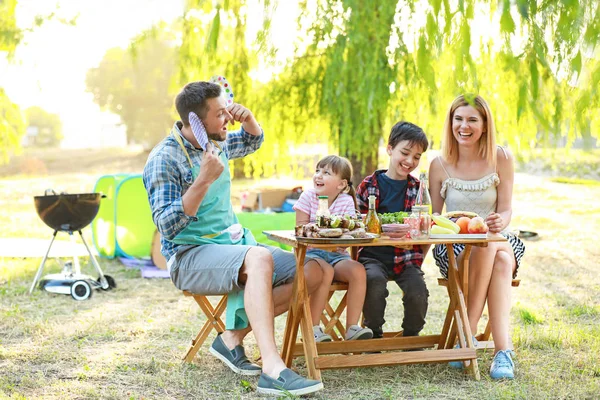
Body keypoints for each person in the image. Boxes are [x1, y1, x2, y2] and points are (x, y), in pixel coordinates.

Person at [143, 81, 324, 396]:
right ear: (195, 121)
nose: (227, 118)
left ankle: (230, 340)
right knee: (259, 258)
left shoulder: (218, 140)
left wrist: (250, 119)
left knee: (315, 269)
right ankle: (272, 369)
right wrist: (202, 180)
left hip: (233, 246)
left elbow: (252, 141)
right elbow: (167, 226)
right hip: (188, 255)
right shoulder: (164, 159)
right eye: (220, 113)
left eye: (227, 110)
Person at [429, 94, 526, 380]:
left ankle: (468, 338)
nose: (464, 126)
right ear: (450, 123)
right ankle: (500, 351)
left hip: (499, 237)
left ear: (485, 124)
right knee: (496, 259)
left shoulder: (501, 157)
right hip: (454, 246)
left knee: (490, 245)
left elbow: (506, 209)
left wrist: (499, 220)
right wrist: (458, 224)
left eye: (472, 119)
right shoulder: (439, 164)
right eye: (458, 119)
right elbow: (434, 219)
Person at [356, 122, 430, 339]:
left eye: (416, 157)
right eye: (405, 153)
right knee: (374, 282)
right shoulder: (368, 185)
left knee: (418, 291)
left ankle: (411, 335)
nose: (410, 161)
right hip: (373, 257)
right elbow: (359, 225)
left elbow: (424, 226)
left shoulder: (418, 189)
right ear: (390, 149)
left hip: (407, 258)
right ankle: (374, 333)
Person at [294, 155, 373, 342]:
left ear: (341, 184)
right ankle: (313, 329)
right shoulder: (307, 197)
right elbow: (300, 231)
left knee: (358, 270)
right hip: (310, 254)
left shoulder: (345, 201)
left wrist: (342, 235)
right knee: (326, 272)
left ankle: (352, 327)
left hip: (338, 255)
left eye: (326, 173)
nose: (319, 176)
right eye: (317, 171)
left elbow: (347, 238)